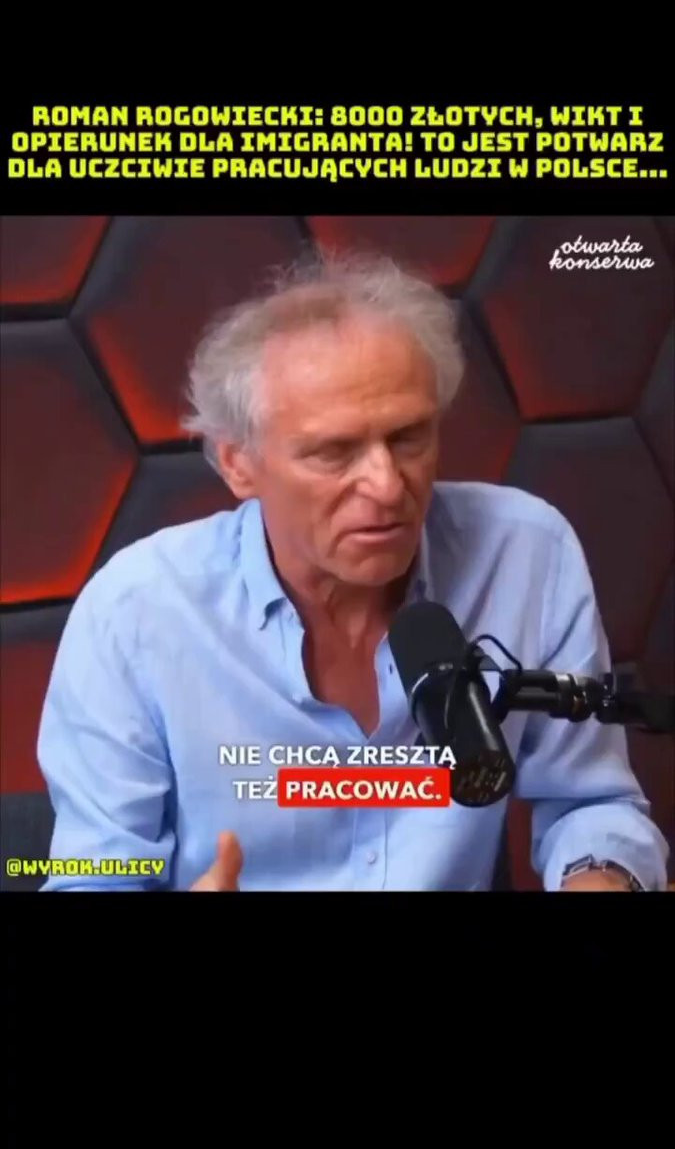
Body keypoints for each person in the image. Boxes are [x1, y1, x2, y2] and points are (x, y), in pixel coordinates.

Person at [37, 251, 669, 892]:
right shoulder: (134, 613)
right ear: (237, 464)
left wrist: (601, 876)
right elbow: (93, 874)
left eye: (408, 437)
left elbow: (590, 804)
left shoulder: (526, 553)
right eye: (334, 452)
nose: (388, 486)